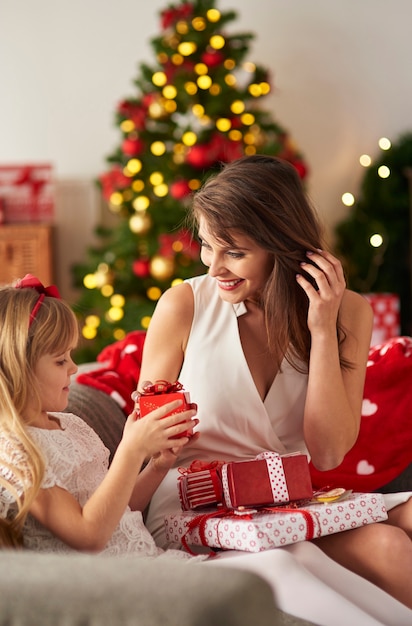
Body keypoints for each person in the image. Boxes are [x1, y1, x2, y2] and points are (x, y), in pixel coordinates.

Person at [137, 155, 412, 625]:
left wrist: (322, 329)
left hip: (288, 502)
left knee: (399, 534)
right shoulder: (184, 305)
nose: (214, 266)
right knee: (386, 546)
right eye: (207, 246)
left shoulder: (347, 312)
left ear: (283, 246)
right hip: (198, 506)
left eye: (235, 252)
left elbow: (326, 453)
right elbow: (142, 444)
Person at [0, 274, 200, 560]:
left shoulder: (71, 425)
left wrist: (157, 466)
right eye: (60, 360)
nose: (74, 368)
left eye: (70, 355)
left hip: (146, 561)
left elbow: (117, 511)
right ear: (17, 367)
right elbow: (88, 536)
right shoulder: (14, 450)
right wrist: (131, 450)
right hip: (106, 586)